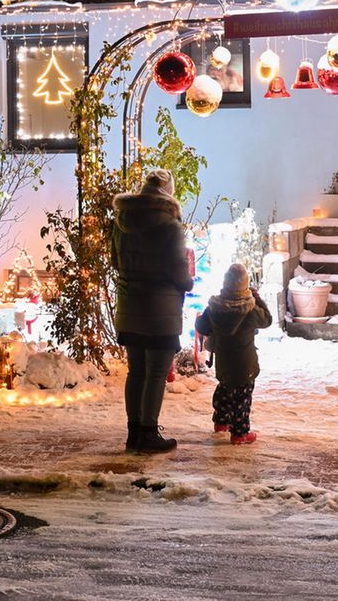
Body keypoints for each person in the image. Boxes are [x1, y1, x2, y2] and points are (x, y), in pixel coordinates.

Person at [111, 168, 194, 454]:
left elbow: (114, 260)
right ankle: (148, 432)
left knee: (136, 371)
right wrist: (188, 282)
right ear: (167, 192)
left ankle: (133, 433)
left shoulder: (121, 221)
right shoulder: (170, 226)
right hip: (160, 309)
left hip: (129, 305)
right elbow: (178, 270)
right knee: (156, 372)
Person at [195, 263, 272, 445]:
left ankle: (221, 422)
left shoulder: (214, 307)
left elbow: (201, 326)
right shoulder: (250, 309)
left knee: (225, 390)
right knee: (242, 399)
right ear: (245, 285)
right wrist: (257, 298)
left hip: (224, 361)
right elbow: (267, 320)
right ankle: (240, 433)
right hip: (245, 364)